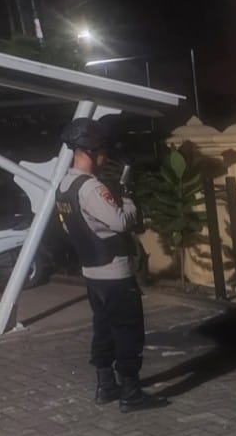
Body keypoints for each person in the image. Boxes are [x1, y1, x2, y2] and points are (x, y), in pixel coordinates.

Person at [54, 118, 161, 412]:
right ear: (90, 149)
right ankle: (131, 393)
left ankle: (106, 385)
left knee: (103, 328)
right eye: (102, 150)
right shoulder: (91, 188)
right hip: (115, 271)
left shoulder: (64, 186)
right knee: (128, 330)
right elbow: (122, 222)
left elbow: (69, 228)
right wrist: (126, 195)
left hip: (92, 271)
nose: (105, 156)